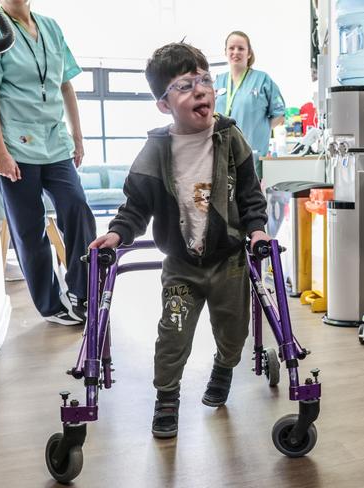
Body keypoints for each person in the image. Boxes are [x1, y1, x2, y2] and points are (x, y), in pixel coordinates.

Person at [89, 42, 271, 439]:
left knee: (234, 333)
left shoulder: (230, 137)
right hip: (182, 268)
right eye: (186, 85)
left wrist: (257, 228)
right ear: (163, 104)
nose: (201, 90)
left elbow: (251, 196)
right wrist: (117, 234)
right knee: (172, 335)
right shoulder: (155, 151)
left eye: (205, 80)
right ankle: (167, 398)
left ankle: (223, 370)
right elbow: (135, 206)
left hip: (230, 263)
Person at [0, 0, 96, 326]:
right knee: (30, 230)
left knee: (78, 207)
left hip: (55, 142)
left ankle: (81, 292)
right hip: (14, 145)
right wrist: (0, 152)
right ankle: (50, 305)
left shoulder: (51, 27)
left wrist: (78, 137)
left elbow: (65, 85)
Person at [214, 31, 285, 177]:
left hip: (251, 154)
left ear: (249, 53)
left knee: (250, 195)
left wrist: (260, 130)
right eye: (231, 48)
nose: (236, 52)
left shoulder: (262, 79)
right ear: (225, 52)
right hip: (222, 153)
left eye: (241, 48)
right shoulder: (218, 81)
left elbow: (280, 115)